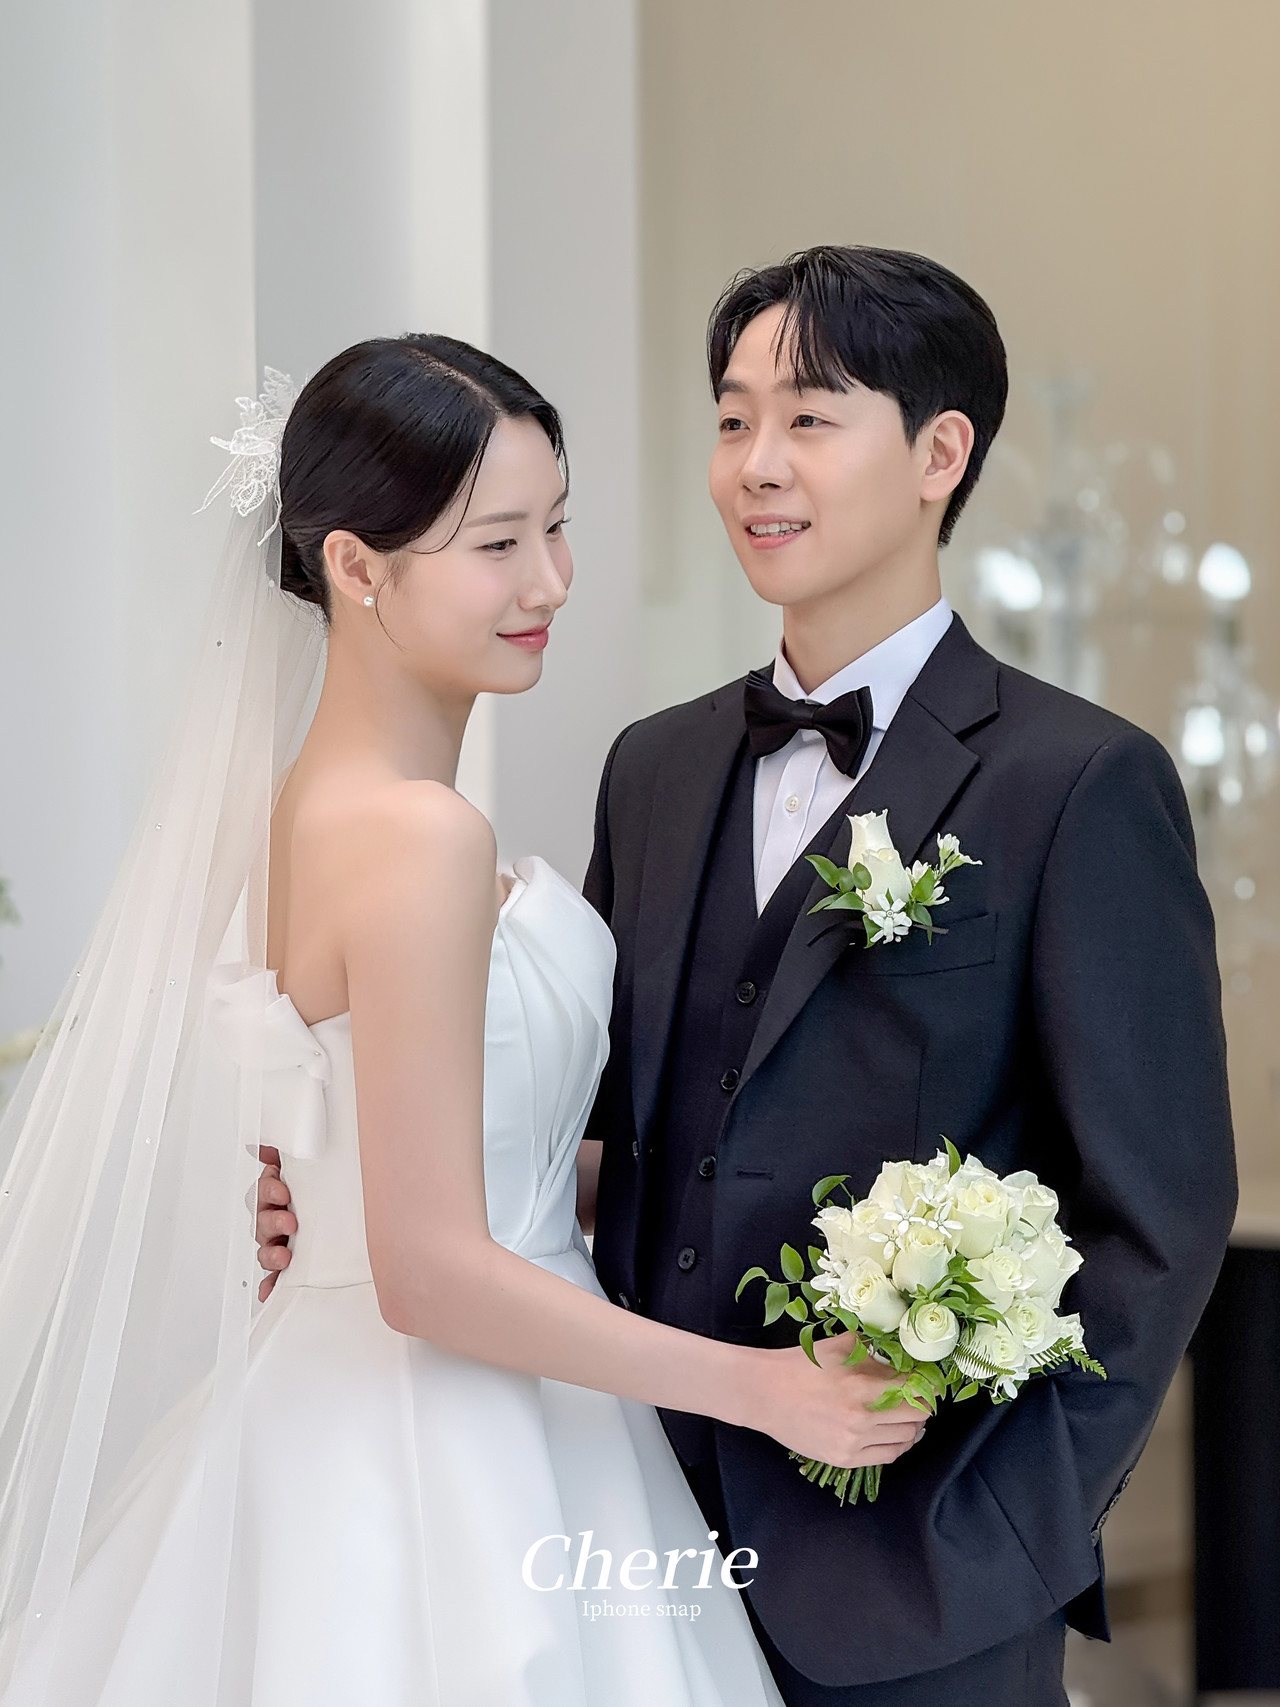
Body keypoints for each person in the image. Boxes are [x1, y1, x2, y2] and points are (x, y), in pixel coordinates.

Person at [260, 251, 1235, 1704]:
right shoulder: (653, 769)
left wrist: (1002, 1535)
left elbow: (1159, 1214)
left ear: (940, 455)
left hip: (920, 1575)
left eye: (810, 419)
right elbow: (606, 1129)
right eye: (731, 420)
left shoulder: (1079, 782)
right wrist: (334, 1186)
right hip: (617, 1522)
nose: (756, 466)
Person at [0, 335, 928, 1707]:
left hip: (351, 1406)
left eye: (557, 527)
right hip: (449, 1441)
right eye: (498, 545)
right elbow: (429, 1272)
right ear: (355, 566)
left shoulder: (297, 813)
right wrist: (766, 1386)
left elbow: (405, 1153)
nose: (550, 581)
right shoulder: (418, 837)